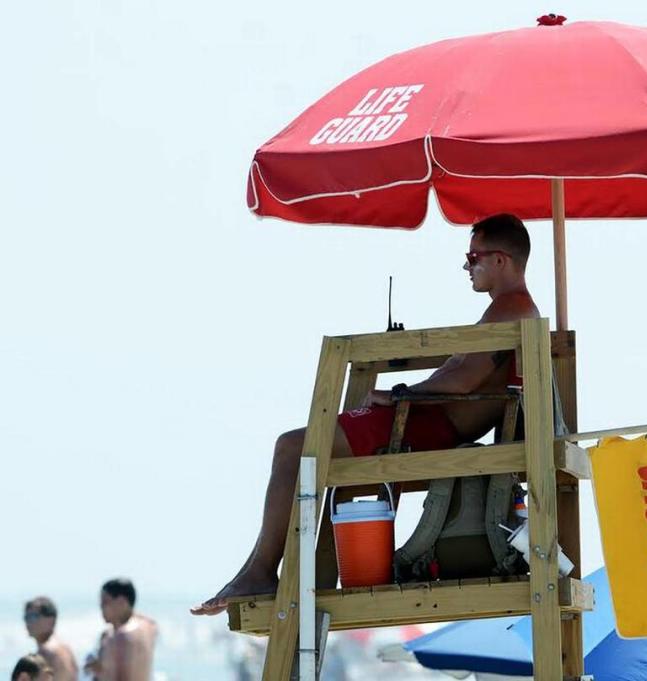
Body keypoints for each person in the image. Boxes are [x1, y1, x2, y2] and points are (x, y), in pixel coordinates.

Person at [192, 213, 541, 615]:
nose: (466, 266)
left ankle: (261, 572)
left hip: (427, 427)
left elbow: (463, 381)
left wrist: (398, 394)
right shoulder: (510, 312)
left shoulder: (509, 312)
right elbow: (465, 376)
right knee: (296, 449)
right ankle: (260, 570)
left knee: (292, 448)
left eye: (473, 256)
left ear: (501, 260)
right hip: (428, 420)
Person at [83, 579, 157, 681]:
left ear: (121, 602)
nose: (101, 607)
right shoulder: (150, 627)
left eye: (105, 603)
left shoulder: (120, 636)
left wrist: (99, 671)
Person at [22, 597, 78, 681]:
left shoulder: (48, 651)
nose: (28, 622)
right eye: (26, 617)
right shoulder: (63, 648)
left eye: (33, 616)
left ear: (51, 620)